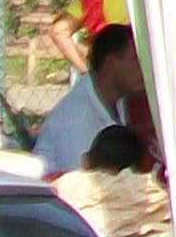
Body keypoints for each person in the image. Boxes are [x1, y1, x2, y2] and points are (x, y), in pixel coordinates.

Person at [34, 23, 147, 176]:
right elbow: (80, 190)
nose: (145, 69)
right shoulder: (77, 119)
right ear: (111, 63)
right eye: (136, 60)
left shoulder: (116, 101)